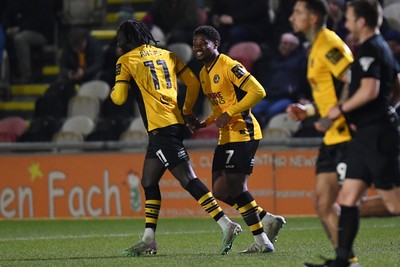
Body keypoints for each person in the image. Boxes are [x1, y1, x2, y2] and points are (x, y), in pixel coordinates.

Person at [110, 19, 242, 256]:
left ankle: (226, 224)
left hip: (161, 129)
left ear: (125, 40)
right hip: (170, 125)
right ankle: (148, 239)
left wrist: (115, 88)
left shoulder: (126, 60)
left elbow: (119, 99)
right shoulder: (166, 54)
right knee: (149, 181)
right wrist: (187, 110)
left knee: (187, 178)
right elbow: (192, 82)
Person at [306, 1, 400, 266]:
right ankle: (343, 260)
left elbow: (369, 90)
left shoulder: (372, 48)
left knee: (394, 205)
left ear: (361, 21)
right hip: (364, 134)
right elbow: (396, 84)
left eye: (348, 19)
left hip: (378, 135)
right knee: (347, 198)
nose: (346, 24)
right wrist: (387, 108)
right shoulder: (376, 48)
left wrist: (340, 110)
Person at [191, 25, 286, 254]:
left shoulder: (230, 66)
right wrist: (203, 123)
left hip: (244, 131)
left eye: (204, 42)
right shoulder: (204, 73)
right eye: (195, 44)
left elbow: (258, 91)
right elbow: (219, 108)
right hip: (225, 137)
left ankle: (262, 241)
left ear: (216, 44)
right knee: (221, 191)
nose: (198, 47)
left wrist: (230, 113)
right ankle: (268, 219)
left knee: (236, 186)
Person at [252, 32, 311, 129]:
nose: (286, 47)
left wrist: (302, 96)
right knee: (254, 110)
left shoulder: (300, 61)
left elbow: (302, 81)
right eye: (284, 43)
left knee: (272, 111)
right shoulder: (274, 60)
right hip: (270, 96)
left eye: (290, 44)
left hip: (287, 97)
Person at [1, 0, 55, 84]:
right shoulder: (15, 3)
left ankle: (26, 76)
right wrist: (7, 28)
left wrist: (20, 28)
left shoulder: (41, 3)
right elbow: (8, 13)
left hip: (41, 33)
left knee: (20, 39)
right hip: (20, 30)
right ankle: (9, 75)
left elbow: (40, 20)